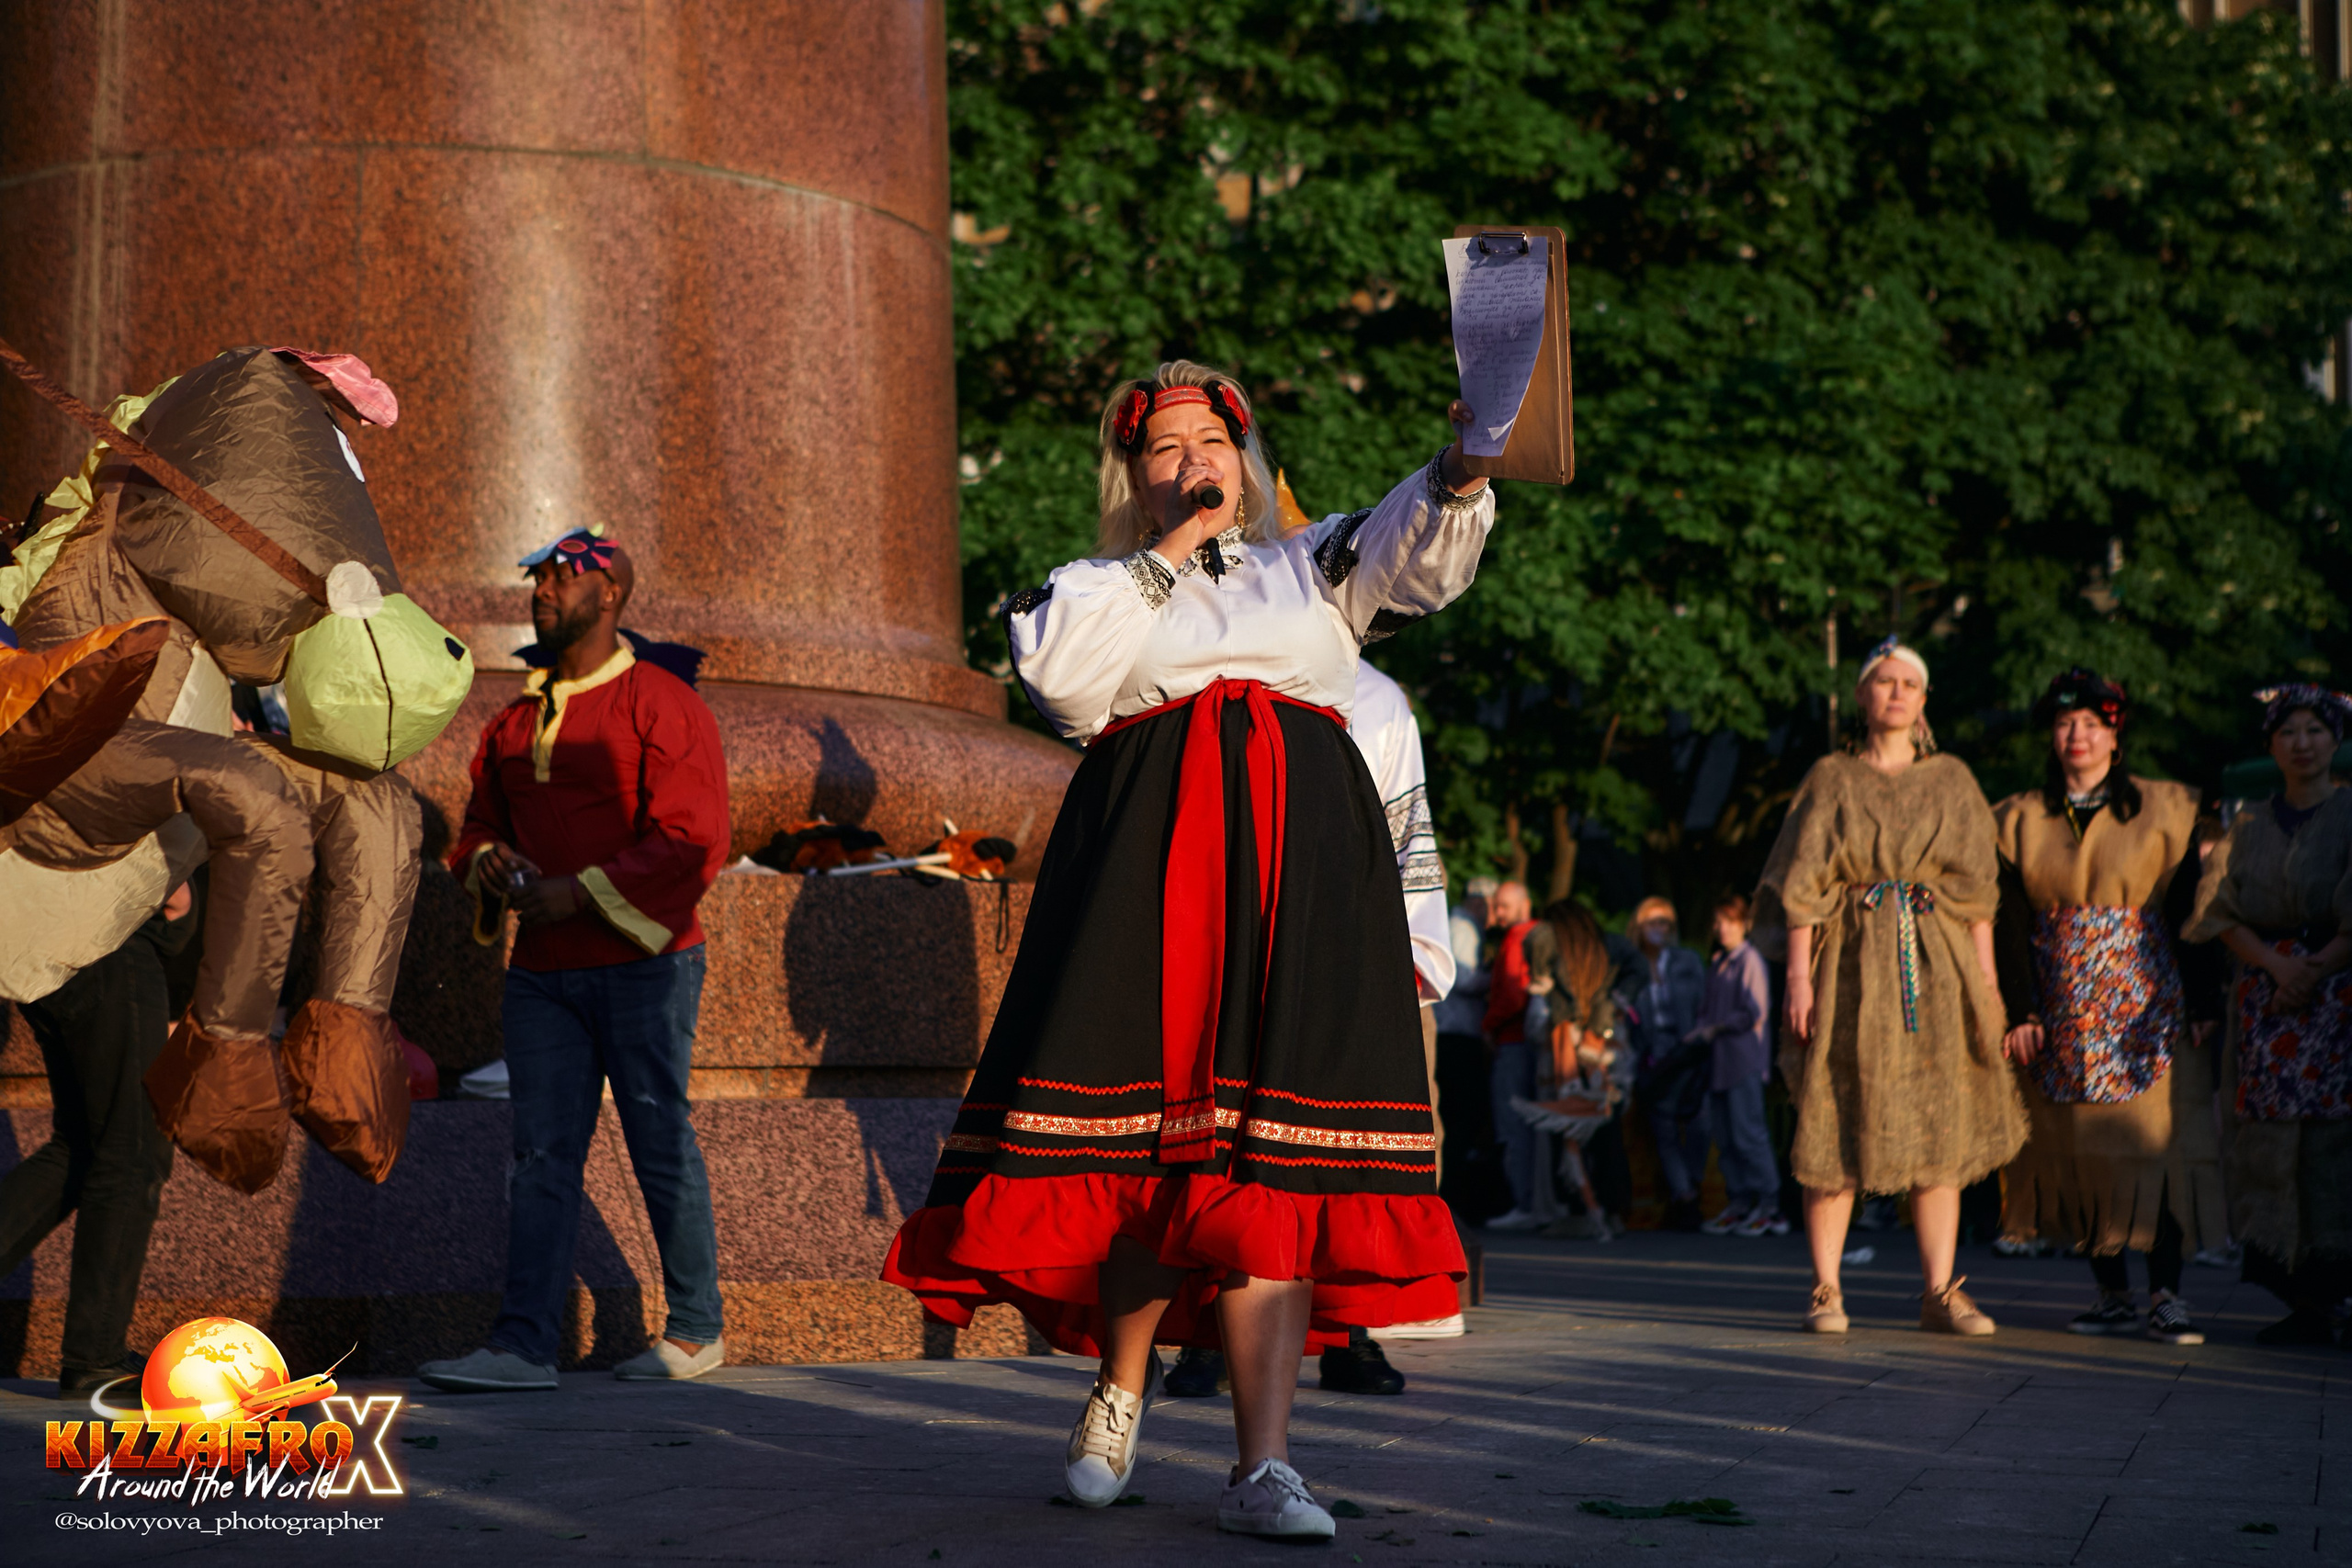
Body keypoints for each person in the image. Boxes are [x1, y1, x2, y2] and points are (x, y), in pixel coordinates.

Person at [880, 362, 1485, 1538]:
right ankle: (1117, 1391)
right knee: (1140, 1147)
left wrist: (1462, 466)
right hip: (1147, 884)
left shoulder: (1314, 566)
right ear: (1133, 475)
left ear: (1247, 462)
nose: (1193, 462)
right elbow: (1061, 682)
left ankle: (1264, 1466)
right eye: (1165, 449)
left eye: (1212, 441)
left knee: (1273, 1159)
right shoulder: (1104, 584)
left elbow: (1419, 545)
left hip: (1293, 884)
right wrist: (1162, 558)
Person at [419, 528, 732, 1393]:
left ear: (612, 595)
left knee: (657, 1136)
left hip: (647, 960)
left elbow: (695, 838)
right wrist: (487, 861)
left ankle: (697, 1328)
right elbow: (479, 821)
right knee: (539, 1153)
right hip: (543, 971)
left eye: (564, 577)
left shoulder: (662, 702)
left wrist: (582, 890)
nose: (545, 590)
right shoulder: (515, 720)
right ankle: (522, 1345)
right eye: (540, 579)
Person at [1166, 658, 1456, 1400]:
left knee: (1344, 1140)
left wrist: (1411, 954)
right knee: (1224, 1135)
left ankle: (1350, 1327)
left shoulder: (1377, 696)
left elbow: (1402, 827)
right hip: (1235, 939)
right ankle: (1207, 1330)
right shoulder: (1204, 667)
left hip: (1344, 944)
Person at [1756, 637, 2021, 1336]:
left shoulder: (1953, 780)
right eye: (1884, 680)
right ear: (1863, 695)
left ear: (1924, 699)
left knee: (1939, 1119)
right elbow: (1802, 883)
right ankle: (1826, 1288)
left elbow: (1977, 894)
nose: (1897, 691)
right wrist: (1797, 977)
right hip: (1848, 958)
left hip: (1936, 963)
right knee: (1835, 1111)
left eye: (1910, 681)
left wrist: (1987, 985)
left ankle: (1941, 1288)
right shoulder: (1832, 776)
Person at [1992, 668, 2226, 1345]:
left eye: (2092, 724)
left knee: (2158, 1143)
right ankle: (2111, 1292)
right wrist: (2020, 1009)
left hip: (2145, 996)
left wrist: (2204, 996)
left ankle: (2167, 1294)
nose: (2077, 736)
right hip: (2059, 1000)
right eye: (2066, 724)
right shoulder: (2017, 817)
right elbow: (2007, 921)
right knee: (2078, 1150)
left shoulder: (2167, 806)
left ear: (2115, 734)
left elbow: (2192, 907)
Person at [2183, 684, 2352, 1346]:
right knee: (2270, 1141)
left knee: (2333, 1139)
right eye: (2288, 731)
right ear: (2270, 744)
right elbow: (2216, 910)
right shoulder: (2248, 821)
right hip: (2265, 1003)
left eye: (2315, 729)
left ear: (2334, 740)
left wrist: (2312, 968)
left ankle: (2340, 1285)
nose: (2302, 742)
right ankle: (2302, 1296)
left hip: (2338, 995)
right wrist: (2277, 968)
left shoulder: (2348, 812)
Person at [0, 877, 197, 1396]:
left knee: (83, 1147)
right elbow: (169, 885)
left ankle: (96, 1355)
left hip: (39, 943)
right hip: (109, 939)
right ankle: (96, 1359)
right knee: (133, 1154)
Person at [1511, 899, 1626, 1239]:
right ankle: (1610, 1211)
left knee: (1564, 1138)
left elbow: (1536, 1026)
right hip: (1601, 1060)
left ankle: (1578, 1211)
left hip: (1561, 1066)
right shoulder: (1601, 961)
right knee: (1605, 1135)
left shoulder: (1551, 975)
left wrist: (1541, 998)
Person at [1690, 896, 1782, 1236]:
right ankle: (1741, 1202)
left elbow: (1754, 1011)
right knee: (1726, 1138)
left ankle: (1770, 1206)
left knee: (1749, 1135)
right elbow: (1705, 1009)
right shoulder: (1718, 962)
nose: (1723, 928)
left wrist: (1716, 1027)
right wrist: (1700, 1029)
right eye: (1718, 922)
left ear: (1744, 924)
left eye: (1729, 921)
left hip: (1744, 1062)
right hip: (1718, 1064)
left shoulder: (1750, 961)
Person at [1623, 897, 1708, 1231]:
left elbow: (1702, 1003)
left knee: (1700, 1122)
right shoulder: (1633, 966)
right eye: (1651, 923)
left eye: (1664, 924)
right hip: (1653, 1055)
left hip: (1688, 1049)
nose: (1658, 930)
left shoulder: (1686, 961)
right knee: (1664, 1128)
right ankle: (1684, 1196)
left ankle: (1695, 1185)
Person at [1431, 874, 1498, 1206]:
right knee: (1462, 1113)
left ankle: (1453, 1188)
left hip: (1457, 1032)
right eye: (1491, 904)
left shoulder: (1463, 926)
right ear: (1478, 901)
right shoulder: (1464, 928)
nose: (1494, 913)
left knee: (1460, 1113)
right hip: (1457, 1033)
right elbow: (1462, 979)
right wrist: (1498, 977)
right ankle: (1452, 1192)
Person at [1481, 880, 1544, 1229]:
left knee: (1514, 1124)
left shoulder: (1518, 939)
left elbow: (1513, 993)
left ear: (1524, 904)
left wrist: (1489, 1025)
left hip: (1513, 1041)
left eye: (1503, 906)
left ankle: (1525, 1203)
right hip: (1532, 1042)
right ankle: (1537, 1200)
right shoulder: (1541, 935)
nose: (1498, 914)